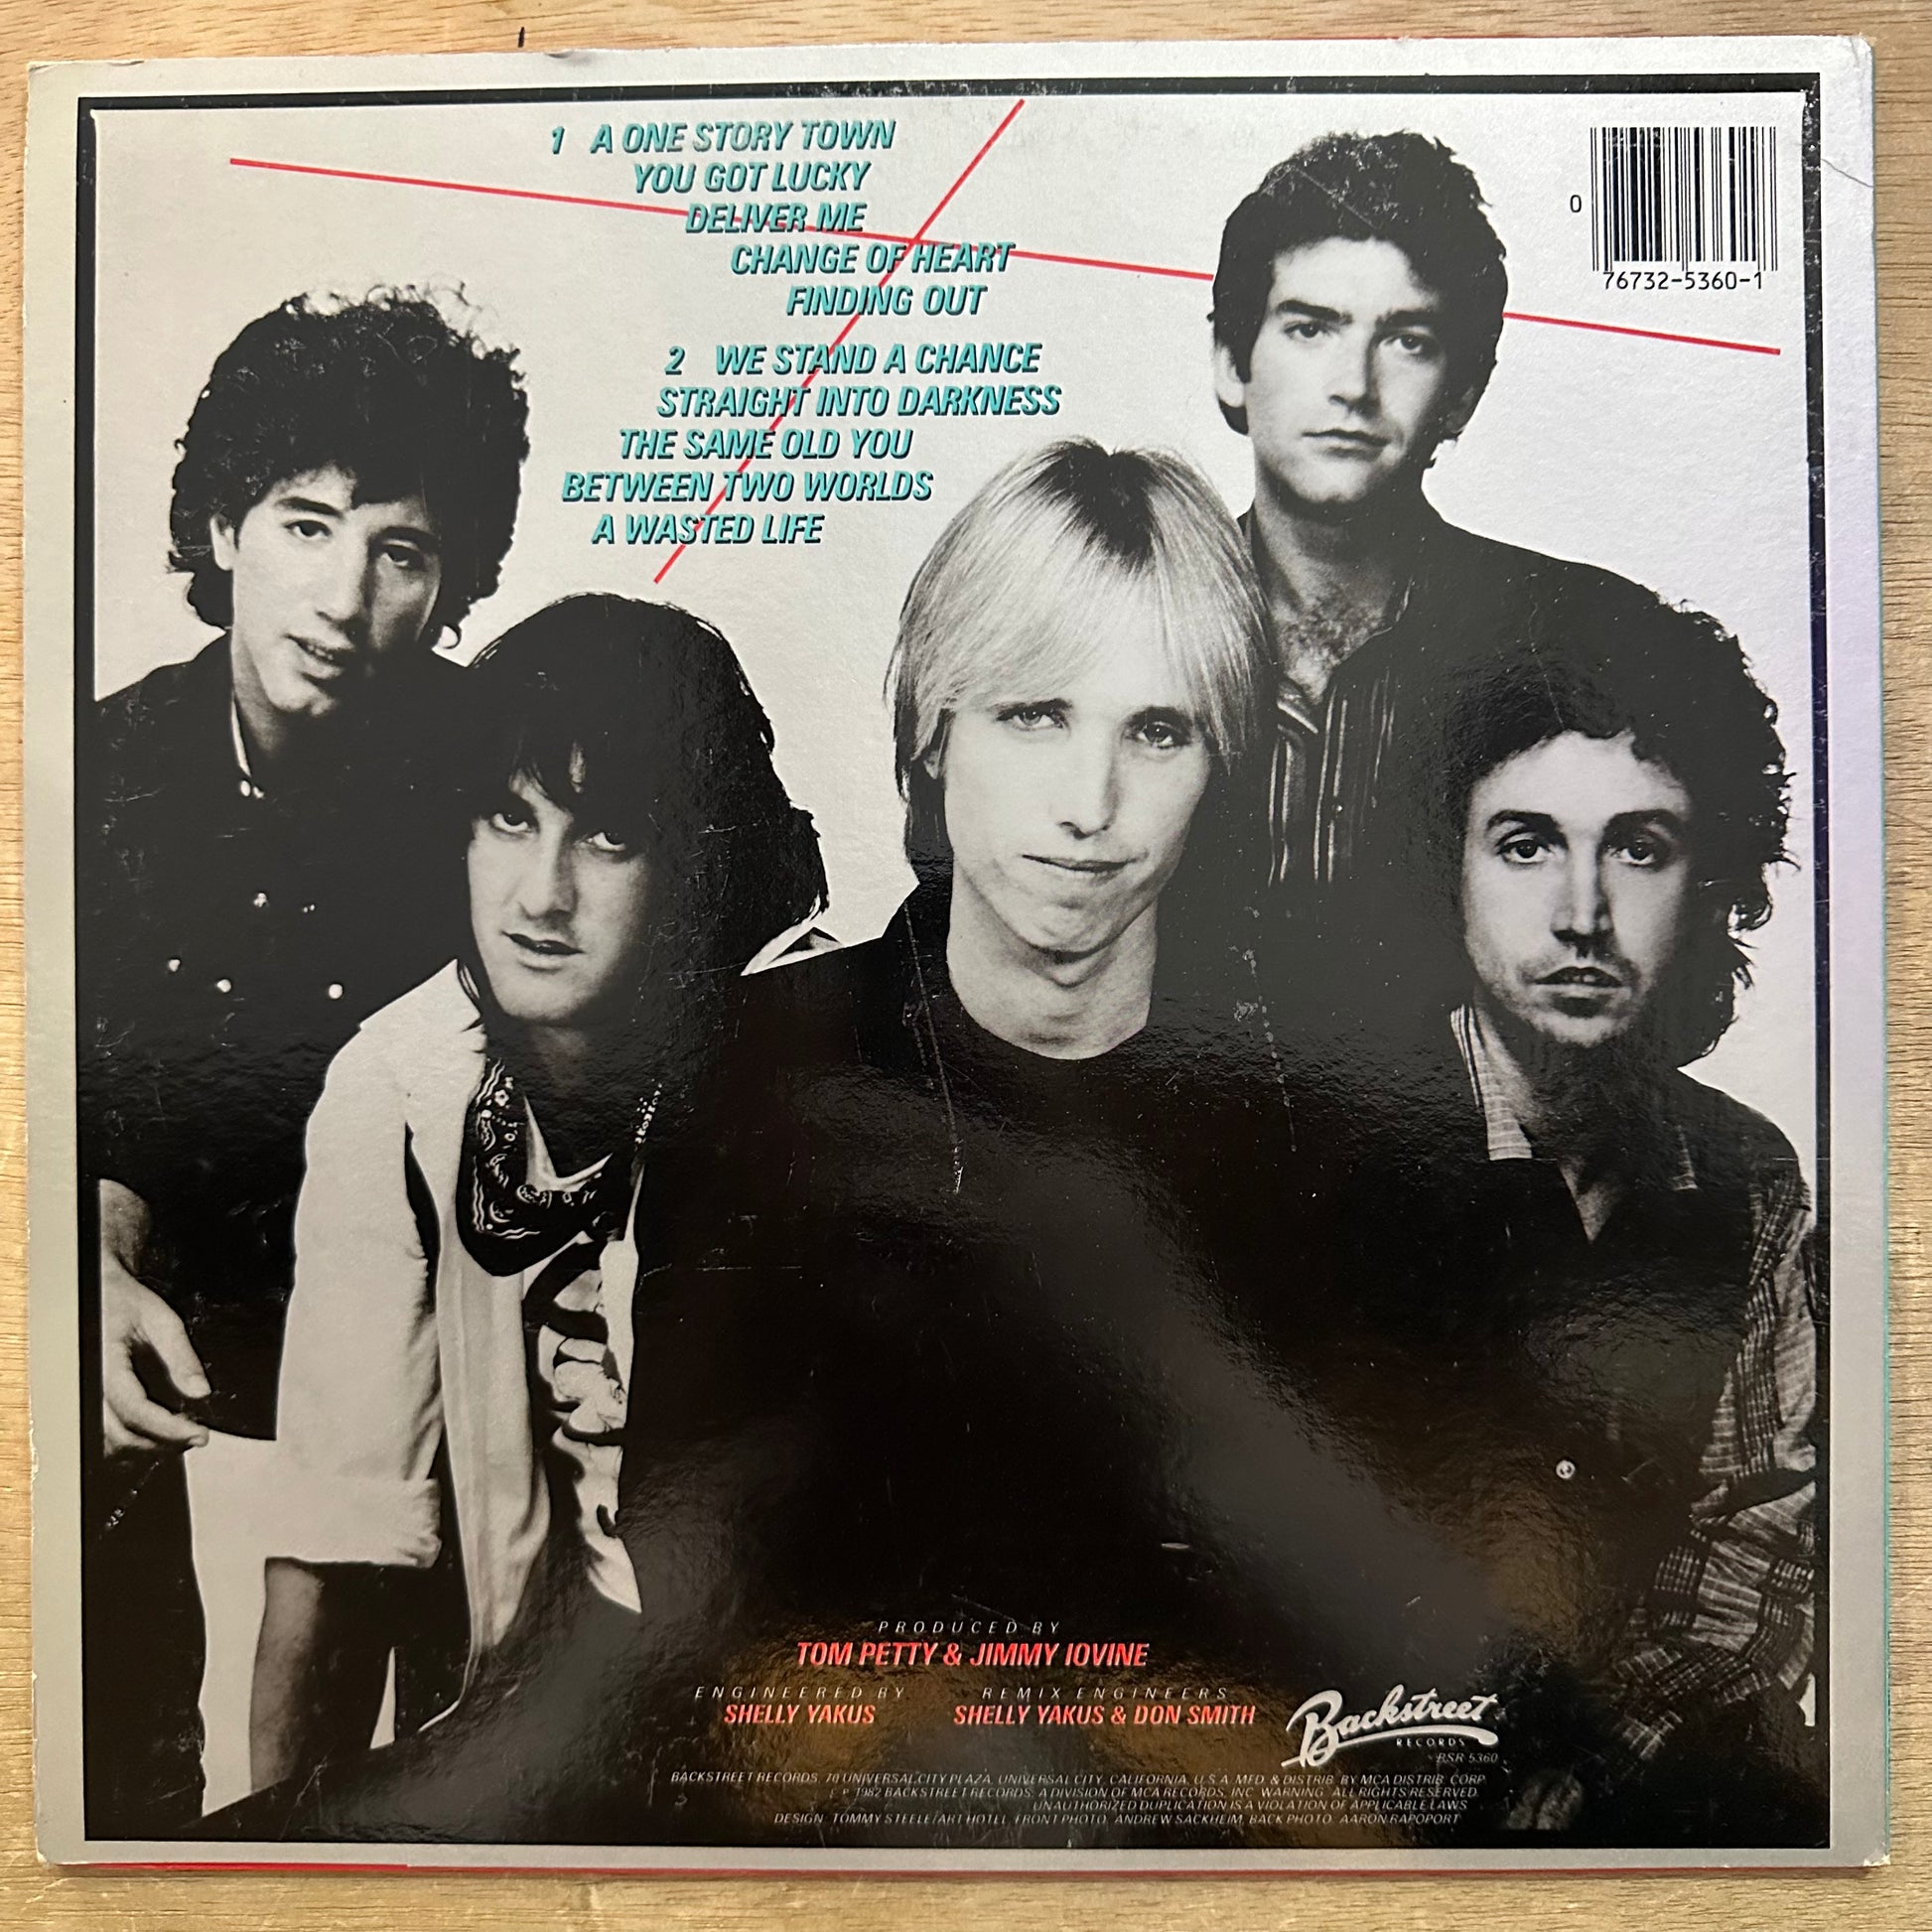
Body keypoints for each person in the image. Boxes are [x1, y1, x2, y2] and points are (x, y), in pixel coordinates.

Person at [243, 595, 828, 1811]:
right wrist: (285, 1857)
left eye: (609, 837)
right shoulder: (401, 1081)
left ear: (699, 863)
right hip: (526, 1734)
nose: (541, 894)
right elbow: (337, 1536)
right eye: (511, 817)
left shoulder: (810, 1063)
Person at [79, 289, 529, 1832]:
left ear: (451, 581)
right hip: (168, 1370)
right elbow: (70, 1087)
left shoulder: (504, 767)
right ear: (221, 528)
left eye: (401, 551)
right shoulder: (97, 775)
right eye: (306, 525)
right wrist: (81, 1260)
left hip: (436, 1371)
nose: (344, 595)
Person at [1320, 584, 1821, 1845]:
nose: (1581, 913)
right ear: (1445, 865)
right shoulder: (1320, 1148)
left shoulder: (1747, 1175)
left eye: (1638, 847)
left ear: (1707, 880)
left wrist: (1598, 1760)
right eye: (1524, 843)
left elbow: (1752, 1537)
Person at [1208, 131, 1646, 944]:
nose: (1354, 386)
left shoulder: (1586, 636)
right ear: (1233, 364)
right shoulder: (1126, 617)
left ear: (1461, 396)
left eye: (1408, 341)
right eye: (1311, 328)